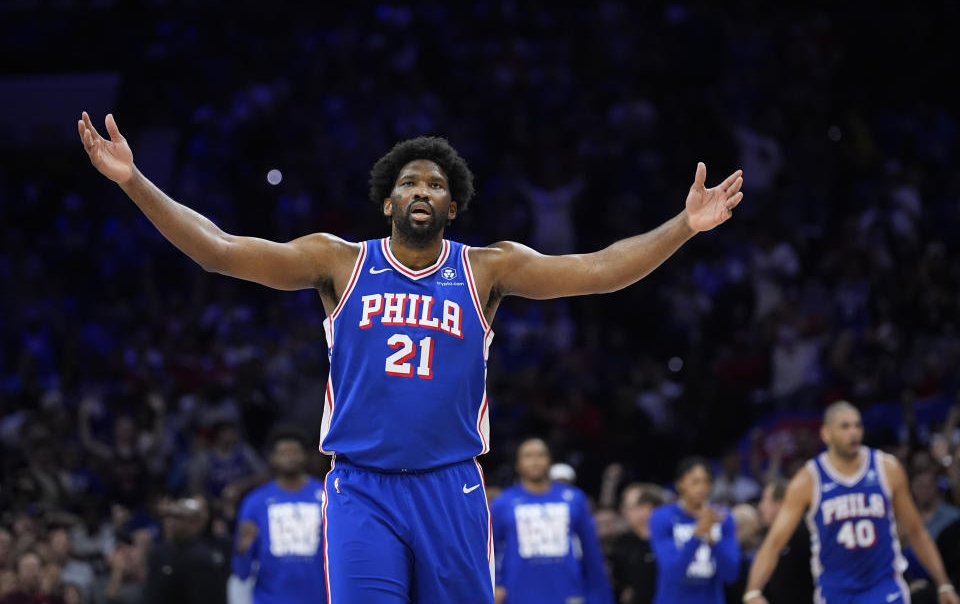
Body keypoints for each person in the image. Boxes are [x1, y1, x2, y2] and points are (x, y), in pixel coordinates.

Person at [78, 112, 744, 603]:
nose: (422, 190)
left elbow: (598, 270)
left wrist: (684, 225)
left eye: (434, 184)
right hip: (362, 487)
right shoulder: (337, 260)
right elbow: (218, 250)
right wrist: (134, 180)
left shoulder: (488, 270)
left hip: (450, 485)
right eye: (409, 182)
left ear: (452, 204)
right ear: (389, 200)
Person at [743, 401, 959, 604]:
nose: (853, 432)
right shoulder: (808, 480)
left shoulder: (887, 469)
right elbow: (774, 542)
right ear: (826, 433)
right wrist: (753, 591)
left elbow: (916, 531)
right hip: (836, 593)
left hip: (884, 588)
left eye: (857, 425)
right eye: (844, 426)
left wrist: (943, 583)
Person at [490, 438, 613, 604]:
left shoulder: (574, 498)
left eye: (541, 455)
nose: (535, 461)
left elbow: (591, 551)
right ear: (518, 463)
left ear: (550, 460)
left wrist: (600, 596)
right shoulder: (503, 503)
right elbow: (491, 551)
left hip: (568, 589)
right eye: (528, 456)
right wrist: (495, 584)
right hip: (518, 591)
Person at [232, 426, 327, 604]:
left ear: (305, 456)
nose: (289, 457)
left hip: (319, 598)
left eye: (294, 452)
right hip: (269, 599)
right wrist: (243, 548)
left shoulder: (325, 495)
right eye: (283, 452)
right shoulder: (255, 501)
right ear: (272, 458)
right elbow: (241, 572)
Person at [649, 457, 739, 604]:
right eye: (695, 481)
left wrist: (712, 540)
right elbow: (671, 573)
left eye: (707, 481)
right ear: (680, 484)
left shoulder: (723, 518)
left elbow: (731, 575)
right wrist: (697, 536)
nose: (702, 487)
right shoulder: (662, 517)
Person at [751, 478, 813, 604]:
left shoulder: (802, 532)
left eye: (765, 500)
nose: (761, 507)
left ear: (779, 504)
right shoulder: (771, 536)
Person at [611, 483, 664, 604]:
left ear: (647, 509)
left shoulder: (668, 541)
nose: (623, 512)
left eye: (628, 507)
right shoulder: (623, 543)